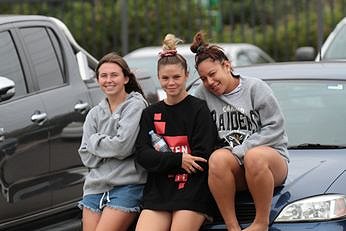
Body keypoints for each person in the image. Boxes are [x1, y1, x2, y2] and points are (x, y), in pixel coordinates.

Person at [190, 31, 289, 231]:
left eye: (212, 74)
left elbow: (275, 128)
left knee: (254, 156)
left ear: (227, 65)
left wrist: (240, 150)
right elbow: (185, 115)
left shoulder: (255, 88)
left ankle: (261, 223)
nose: (209, 82)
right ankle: (233, 227)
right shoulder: (201, 94)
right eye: (203, 78)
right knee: (217, 159)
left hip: (269, 162)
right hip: (233, 168)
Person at [135, 34, 218, 231]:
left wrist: (163, 160)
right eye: (165, 78)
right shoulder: (150, 113)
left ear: (187, 76)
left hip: (192, 191)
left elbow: (202, 157)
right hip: (159, 192)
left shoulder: (198, 109)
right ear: (158, 78)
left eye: (176, 77)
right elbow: (143, 155)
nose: (171, 83)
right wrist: (179, 160)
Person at [78, 52, 148, 231]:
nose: (108, 80)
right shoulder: (94, 113)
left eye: (114, 75)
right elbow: (86, 157)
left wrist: (95, 141)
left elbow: (123, 147)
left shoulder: (135, 105)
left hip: (127, 185)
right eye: (103, 75)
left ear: (125, 78)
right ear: (97, 80)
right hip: (95, 187)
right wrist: (111, 147)